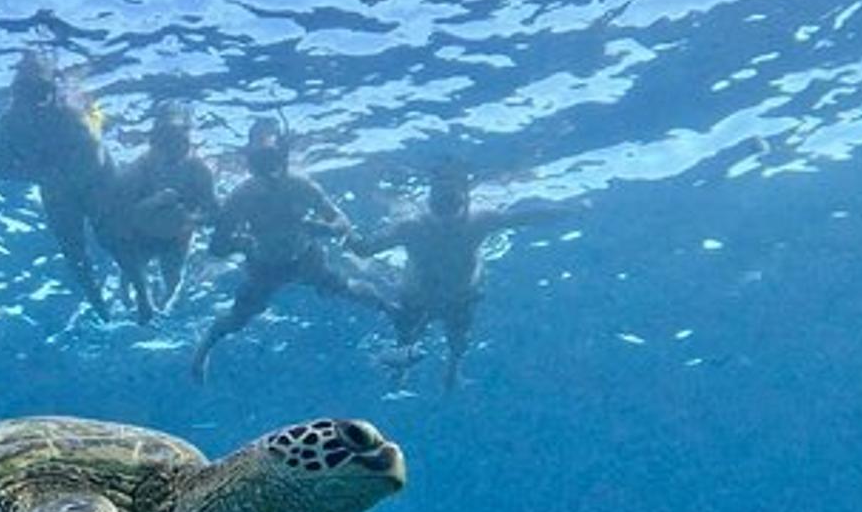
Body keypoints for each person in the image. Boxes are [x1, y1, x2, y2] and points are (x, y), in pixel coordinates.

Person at [351, 158, 577, 392]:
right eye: (442, 202)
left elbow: (523, 218)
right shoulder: (413, 226)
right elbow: (522, 218)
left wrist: (562, 211)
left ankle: (449, 370)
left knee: (456, 341)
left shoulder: (477, 219)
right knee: (411, 340)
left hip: (455, 296)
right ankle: (413, 373)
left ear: (465, 198)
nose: (446, 220)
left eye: (450, 202)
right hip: (425, 296)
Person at [189, 119, 389, 384]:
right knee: (238, 318)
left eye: (270, 158)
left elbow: (342, 223)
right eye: (261, 159)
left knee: (346, 288)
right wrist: (245, 242)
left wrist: (322, 228)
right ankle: (202, 352)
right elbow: (217, 246)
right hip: (265, 266)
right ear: (251, 160)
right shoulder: (242, 196)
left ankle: (391, 308)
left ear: (282, 155)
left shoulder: (301, 185)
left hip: (306, 258)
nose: (268, 172)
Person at [0, 48, 114, 318]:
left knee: (110, 236)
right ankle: (97, 300)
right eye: (25, 94)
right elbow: (1, 168)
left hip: (90, 182)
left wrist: (58, 175)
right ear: (16, 92)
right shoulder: (8, 124)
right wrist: (40, 174)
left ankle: (124, 285)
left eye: (39, 95)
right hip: (58, 189)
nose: (33, 105)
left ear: (51, 91)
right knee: (74, 252)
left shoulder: (70, 113)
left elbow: (97, 156)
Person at [97, 98, 219, 323]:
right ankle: (133, 305)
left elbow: (214, 214)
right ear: (155, 142)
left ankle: (161, 308)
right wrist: (154, 201)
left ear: (187, 144)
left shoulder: (200, 171)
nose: (171, 153)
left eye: (178, 144)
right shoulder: (140, 167)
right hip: (141, 234)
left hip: (178, 235)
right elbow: (120, 214)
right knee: (129, 280)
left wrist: (191, 218)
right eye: (165, 144)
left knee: (172, 279)